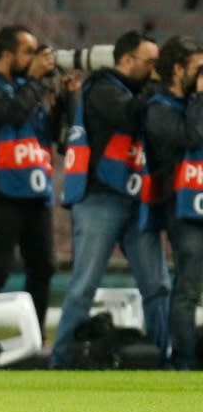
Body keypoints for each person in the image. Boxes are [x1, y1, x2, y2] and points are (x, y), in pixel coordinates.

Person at [50, 30, 170, 368]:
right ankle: (61, 360)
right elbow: (129, 115)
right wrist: (157, 86)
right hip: (100, 198)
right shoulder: (101, 87)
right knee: (83, 284)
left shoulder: (145, 93)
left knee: (158, 284)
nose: (154, 69)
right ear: (126, 60)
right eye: (150, 62)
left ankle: (165, 357)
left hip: (137, 195)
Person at [0, 26, 57, 336]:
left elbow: (54, 134)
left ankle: (33, 338)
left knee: (43, 268)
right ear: (7, 54)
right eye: (28, 52)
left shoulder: (29, 88)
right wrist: (34, 81)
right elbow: (13, 114)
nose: (34, 59)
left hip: (35, 190)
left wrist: (64, 98)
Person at [143, 35, 203, 369]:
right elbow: (192, 137)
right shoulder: (158, 108)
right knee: (188, 289)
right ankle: (185, 362)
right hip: (182, 207)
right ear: (178, 69)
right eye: (198, 68)